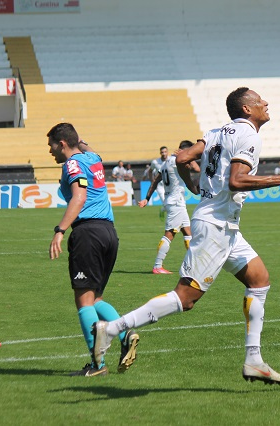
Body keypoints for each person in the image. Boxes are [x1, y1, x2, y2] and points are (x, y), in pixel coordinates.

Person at [94, 87, 280, 384]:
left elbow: (181, 158)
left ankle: (254, 360)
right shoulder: (249, 135)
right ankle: (112, 328)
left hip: (224, 226)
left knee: (259, 280)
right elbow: (236, 181)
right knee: (186, 298)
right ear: (247, 110)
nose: (265, 103)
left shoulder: (215, 132)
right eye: (259, 101)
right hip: (215, 226)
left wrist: (196, 187)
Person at [47, 123, 139, 377]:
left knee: (84, 301)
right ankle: (125, 334)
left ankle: (98, 365)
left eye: (52, 145)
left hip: (87, 233)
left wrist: (60, 229)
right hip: (108, 232)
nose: (51, 151)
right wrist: (79, 140)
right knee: (95, 297)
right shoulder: (93, 158)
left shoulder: (72, 164)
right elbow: (87, 147)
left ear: (62, 143)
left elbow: (79, 197)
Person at [138, 140, 200, 274]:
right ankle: (157, 266)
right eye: (191, 151)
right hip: (176, 202)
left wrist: (147, 198)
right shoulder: (179, 161)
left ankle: (193, 265)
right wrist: (188, 156)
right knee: (169, 234)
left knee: (188, 233)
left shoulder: (166, 162)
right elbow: (196, 169)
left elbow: (155, 180)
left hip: (174, 202)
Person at [150, 146, 169, 217]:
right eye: (162, 152)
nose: (164, 154)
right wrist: (152, 180)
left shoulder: (171, 160)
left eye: (165, 152)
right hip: (160, 186)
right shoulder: (155, 162)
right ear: (160, 153)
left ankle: (162, 210)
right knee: (166, 204)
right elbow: (150, 171)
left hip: (169, 185)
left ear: (167, 152)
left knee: (170, 204)